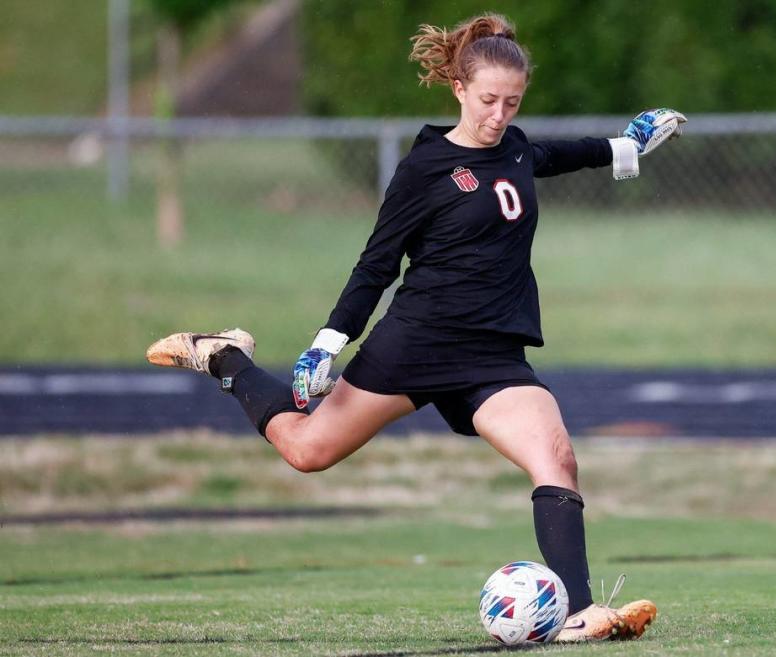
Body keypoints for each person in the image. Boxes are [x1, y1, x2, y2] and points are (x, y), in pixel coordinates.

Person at [146, 12, 685, 643]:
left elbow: (548, 156)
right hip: (417, 344)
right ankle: (226, 357)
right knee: (307, 451)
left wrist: (626, 146)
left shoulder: (511, 144)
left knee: (557, 457)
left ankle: (577, 613)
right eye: (487, 100)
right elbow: (377, 264)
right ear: (458, 87)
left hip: (492, 354)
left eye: (512, 102)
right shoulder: (425, 167)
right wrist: (326, 344)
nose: (499, 115)